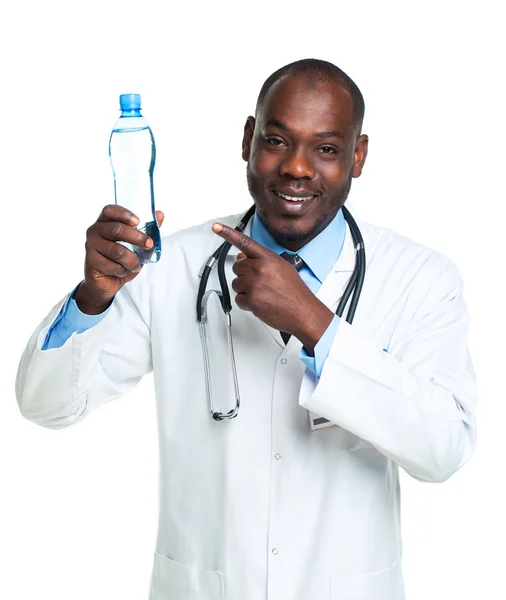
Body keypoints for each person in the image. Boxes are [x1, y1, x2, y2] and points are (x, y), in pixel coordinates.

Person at [15, 58, 478, 600]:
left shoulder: (421, 279)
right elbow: (45, 405)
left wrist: (313, 322)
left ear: (358, 155)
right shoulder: (171, 266)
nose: (297, 168)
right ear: (247, 140)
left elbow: (444, 449)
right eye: (277, 141)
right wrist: (93, 295)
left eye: (326, 148)